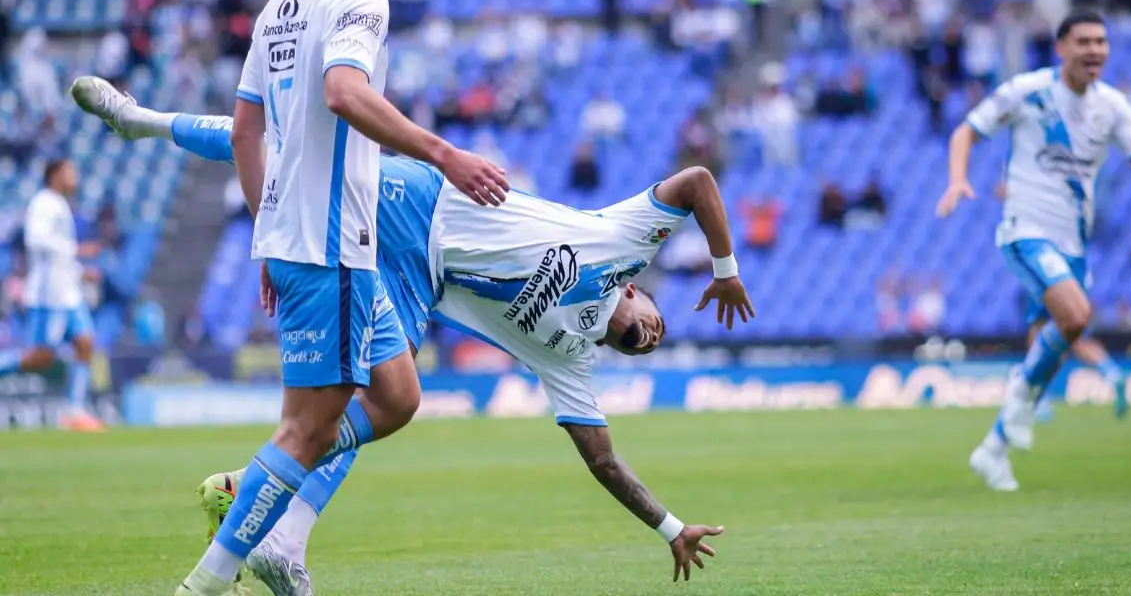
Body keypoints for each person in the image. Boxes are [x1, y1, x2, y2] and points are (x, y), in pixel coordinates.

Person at [72, 77, 752, 594]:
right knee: (286, 158)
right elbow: (695, 182)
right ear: (637, 288)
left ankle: (274, 524)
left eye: (649, 343)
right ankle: (144, 121)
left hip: (409, 283)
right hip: (422, 201)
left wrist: (670, 527)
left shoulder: (569, 357)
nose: (653, 335)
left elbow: (604, 461)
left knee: (389, 400)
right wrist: (725, 270)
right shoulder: (622, 241)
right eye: (656, 321)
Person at [151, 0, 508, 596]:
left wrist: (266, 228)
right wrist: (445, 154)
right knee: (307, 430)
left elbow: (248, 132)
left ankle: (258, 513)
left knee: (398, 393)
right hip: (332, 244)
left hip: (299, 239)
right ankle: (206, 584)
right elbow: (344, 92)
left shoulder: (280, 1)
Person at [936, 9, 1131, 492]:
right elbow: (965, 131)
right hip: (1026, 228)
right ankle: (1020, 396)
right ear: (1061, 49)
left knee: (1053, 335)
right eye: (1084, 41)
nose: (1095, 49)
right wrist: (958, 181)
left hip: (1073, 240)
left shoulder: (1114, 106)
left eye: (1101, 41)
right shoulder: (1028, 91)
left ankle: (993, 448)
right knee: (1076, 317)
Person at [0, 160, 103, 431]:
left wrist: (81, 272)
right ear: (55, 175)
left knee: (85, 342)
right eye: (71, 172)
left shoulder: (60, 205)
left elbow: (60, 257)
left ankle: (74, 412)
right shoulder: (43, 203)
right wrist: (77, 250)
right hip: (49, 296)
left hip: (68, 293)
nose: (76, 178)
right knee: (39, 358)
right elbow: (36, 239)